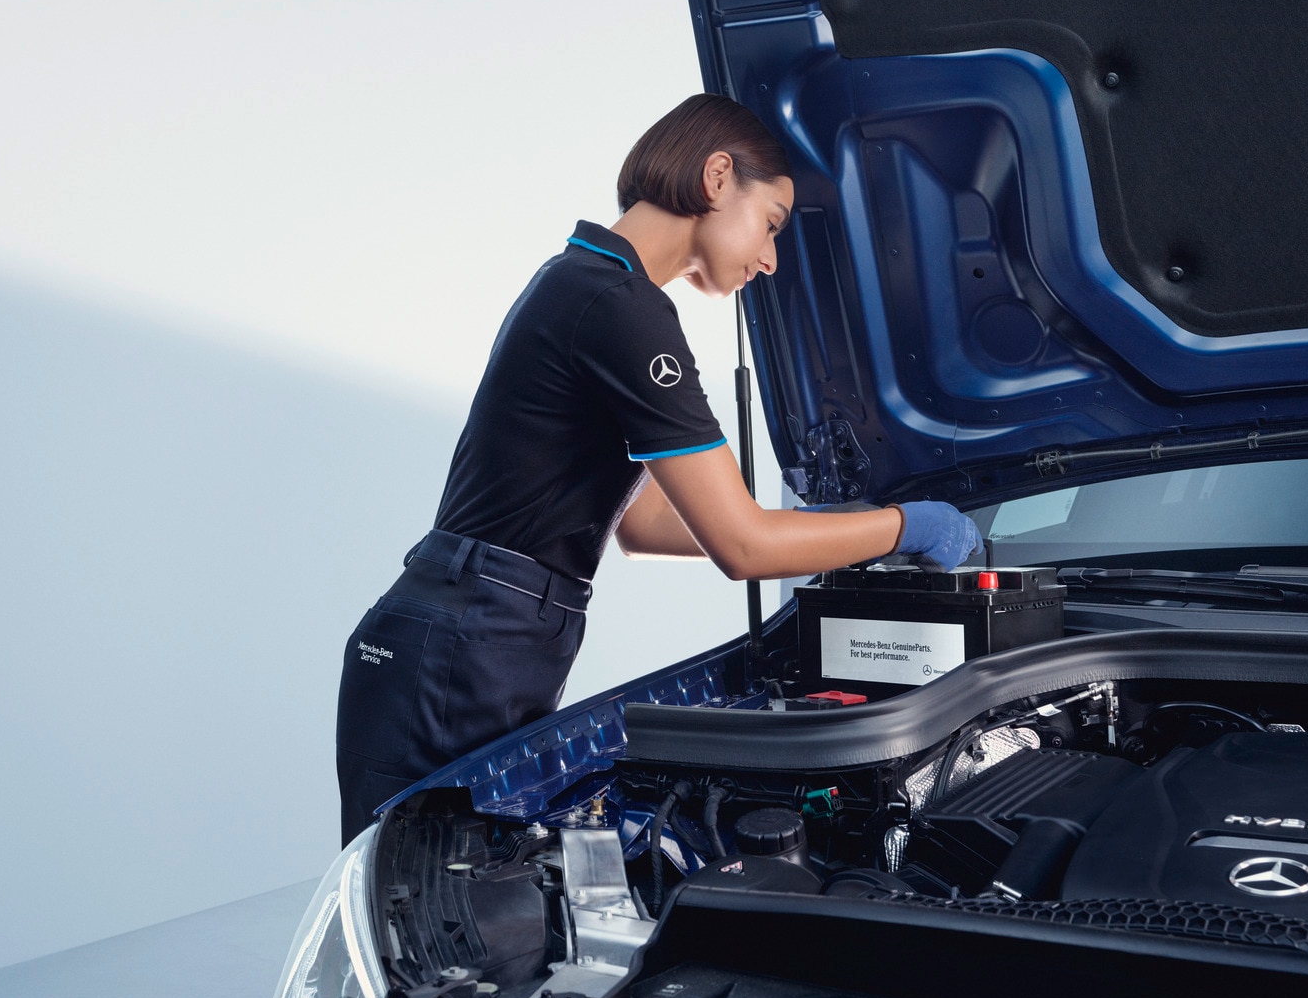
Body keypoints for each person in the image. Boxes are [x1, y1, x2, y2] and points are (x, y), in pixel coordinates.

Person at [334, 94, 980, 841]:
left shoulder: (585, 284)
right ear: (715, 177)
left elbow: (640, 524)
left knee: (465, 912)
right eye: (771, 223)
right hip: (461, 650)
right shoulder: (619, 305)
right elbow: (743, 548)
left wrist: (832, 527)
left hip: (469, 639)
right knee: (439, 921)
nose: (770, 260)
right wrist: (906, 524)